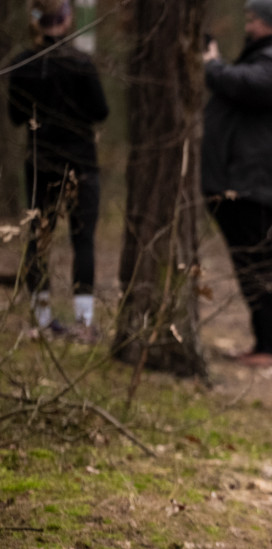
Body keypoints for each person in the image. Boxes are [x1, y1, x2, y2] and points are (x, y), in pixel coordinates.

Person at [201, 0, 272, 370]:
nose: (247, 25)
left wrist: (212, 64)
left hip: (266, 185)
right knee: (252, 263)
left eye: (252, 18)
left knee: (266, 262)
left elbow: (244, 84)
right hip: (252, 182)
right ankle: (268, 343)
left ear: (270, 22)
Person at [7, 0, 108, 343]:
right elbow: (100, 110)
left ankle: (44, 319)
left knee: (39, 237)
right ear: (65, 20)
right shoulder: (80, 62)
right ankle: (83, 323)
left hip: (40, 161)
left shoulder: (24, 63)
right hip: (80, 163)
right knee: (82, 239)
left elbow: (16, 116)